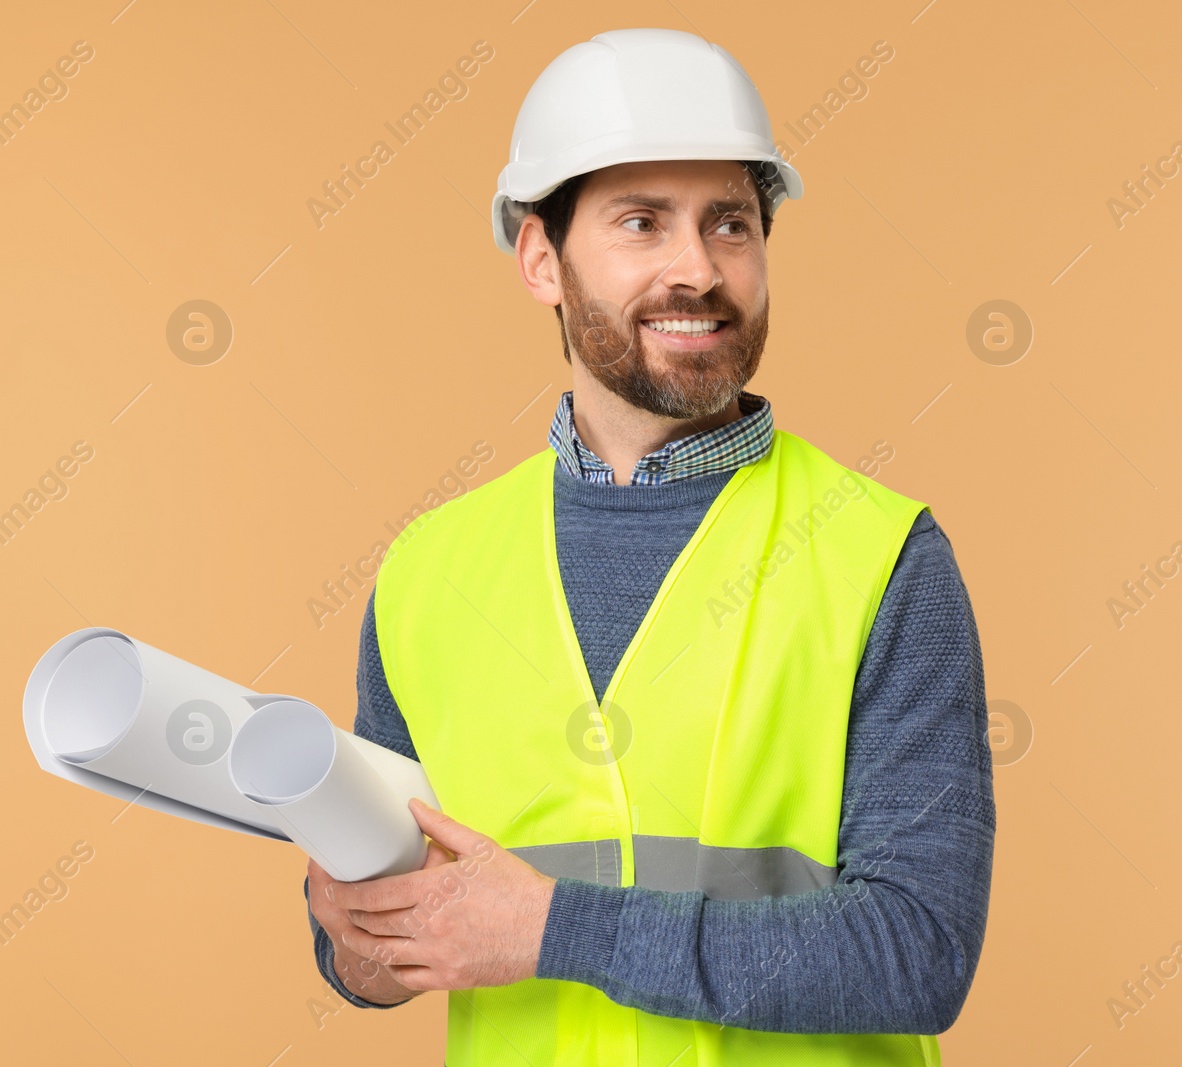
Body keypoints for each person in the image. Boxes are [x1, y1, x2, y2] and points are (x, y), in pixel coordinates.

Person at [302, 27, 995, 1066]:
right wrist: (353, 947)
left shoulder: (880, 556)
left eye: (730, 223)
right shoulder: (429, 573)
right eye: (641, 222)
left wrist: (552, 928)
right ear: (542, 258)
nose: (698, 269)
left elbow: (917, 951)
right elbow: (382, 919)